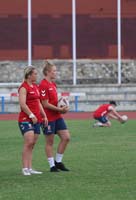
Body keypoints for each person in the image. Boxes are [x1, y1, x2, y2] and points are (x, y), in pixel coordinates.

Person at [39, 61, 70, 172]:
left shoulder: (53, 84)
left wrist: (63, 105)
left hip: (57, 116)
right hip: (48, 117)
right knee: (50, 142)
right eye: (54, 71)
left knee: (66, 137)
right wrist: (60, 109)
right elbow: (45, 104)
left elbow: (55, 100)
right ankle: (52, 166)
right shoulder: (43, 85)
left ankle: (58, 162)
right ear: (47, 72)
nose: (56, 73)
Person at [18, 66, 48, 175]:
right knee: (28, 142)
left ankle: (30, 168)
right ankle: (24, 168)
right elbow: (22, 104)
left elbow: (38, 102)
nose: (37, 75)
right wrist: (31, 115)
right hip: (26, 118)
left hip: (37, 119)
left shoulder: (35, 86)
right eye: (35, 73)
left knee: (32, 144)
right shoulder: (23, 87)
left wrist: (44, 115)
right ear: (29, 75)